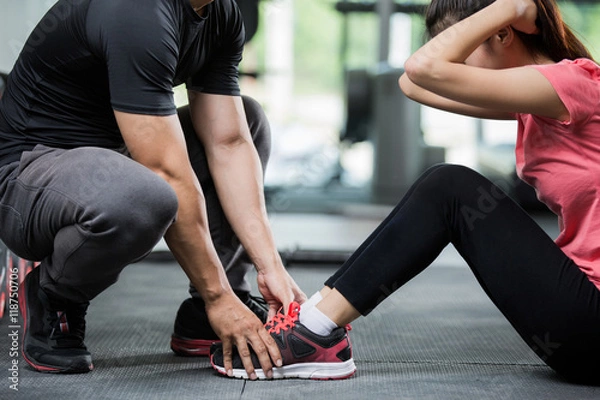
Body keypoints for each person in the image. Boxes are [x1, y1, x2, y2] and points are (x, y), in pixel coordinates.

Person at [211, 0, 600, 384]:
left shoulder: (575, 83)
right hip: (580, 318)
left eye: (463, 52)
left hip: (591, 325)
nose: (456, 67)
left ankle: (314, 330)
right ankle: (314, 319)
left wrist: (510, 8)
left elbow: (422, 69)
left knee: (450, 187)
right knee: (448, 187)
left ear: (501, 33)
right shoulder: (536, 103)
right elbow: (412, 82)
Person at [0, 0, 306, 376]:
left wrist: (270, 267)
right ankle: (54, 295)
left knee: (249, 121)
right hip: (27, 176)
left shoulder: (221, 14)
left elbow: (228, 144)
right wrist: (217, 296)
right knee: (142, 194)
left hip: (115, 156)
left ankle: (212, 312)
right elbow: (164, 171)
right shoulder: (137, 10)